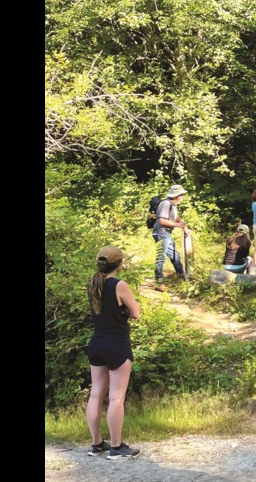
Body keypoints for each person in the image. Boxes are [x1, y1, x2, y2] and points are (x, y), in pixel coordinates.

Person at [85, 246, 141, 459]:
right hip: (117, 345)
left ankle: (97, 444)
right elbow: (136, 313)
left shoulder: (93, 283)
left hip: (96, 344)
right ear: (118, 264)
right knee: (116, 397)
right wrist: (124, 311)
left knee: (96, 393)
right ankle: (116, 447)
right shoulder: (120, 285)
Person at [151, 184, 188, 283]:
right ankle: (159, 279)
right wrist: (178, 225)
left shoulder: (173, 205)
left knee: (175, 255)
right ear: (177, 195)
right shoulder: (165, 203)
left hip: (166, 232)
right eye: (182, 194)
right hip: (161, 231)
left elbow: (176, 218)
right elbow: (162, 221)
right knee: (161, 256)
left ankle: (182, 277)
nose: (183, 196)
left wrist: (184, 228)